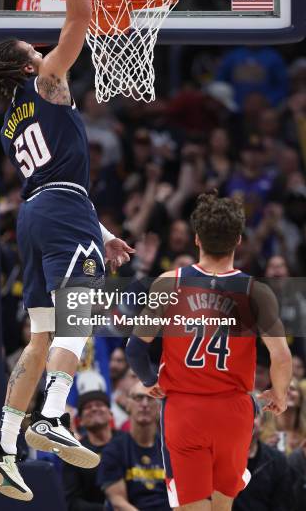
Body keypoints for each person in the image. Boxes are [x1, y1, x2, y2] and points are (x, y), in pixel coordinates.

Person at [0, 0, 134, 501]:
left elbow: (55, 177)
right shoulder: (47, 84)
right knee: (82, 316)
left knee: (42, 338)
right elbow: (79, 18)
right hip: (62, 212)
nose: (44, 49)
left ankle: (2, 446)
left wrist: (102, 227)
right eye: (33, 47)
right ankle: (50, 416)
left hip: (40, 214)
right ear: (27, 65)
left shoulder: (9, 119)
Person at [126, 190, 292, 511]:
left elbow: (135, 348)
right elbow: (282, 357)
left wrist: (149, 380)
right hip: (234, 413)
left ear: (197, 239)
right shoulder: (256, 292)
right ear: (238, 241)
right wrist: (280, 394)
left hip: (185, 411)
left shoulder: (168, 283)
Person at [98, 380, 169, 511]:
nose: (144, 404)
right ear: (128, 405)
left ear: (159, 407)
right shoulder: (113, 449)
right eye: (138, 398)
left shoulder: (170, 449)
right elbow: (118, 502)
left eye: (151, 398)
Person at [63, 390, 117, 510]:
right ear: (80, 421)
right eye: (87, 407)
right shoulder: (74, 452)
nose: (94, 409)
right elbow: (71, 502)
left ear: (111, 414)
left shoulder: (126, 441)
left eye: (99, 404)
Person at [232, 413, 293, 511]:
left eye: (253, 415)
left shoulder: (277, 460)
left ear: (262, 423)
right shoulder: (218, 459)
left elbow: (282, 505)